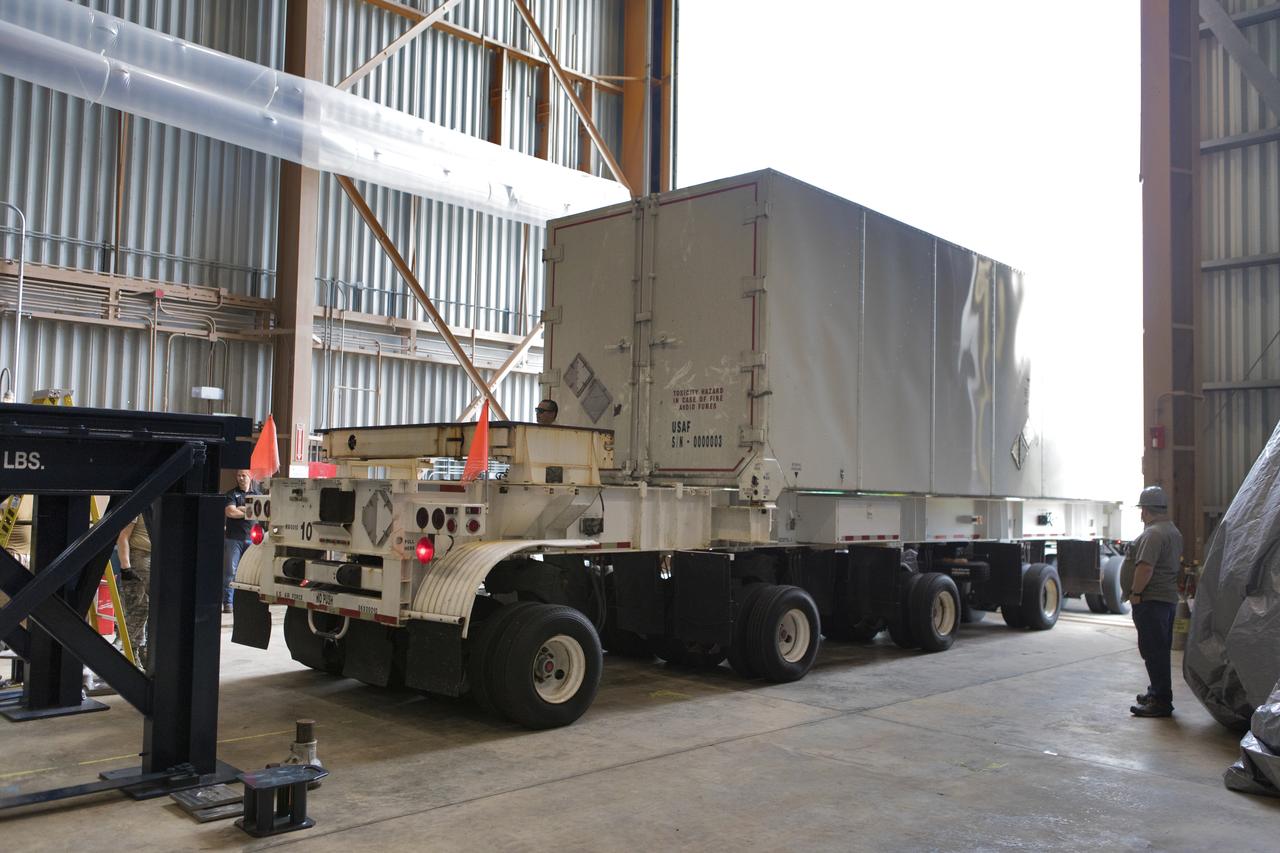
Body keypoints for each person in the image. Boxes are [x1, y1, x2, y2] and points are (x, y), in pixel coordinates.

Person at [1121, 485, 1183, 718]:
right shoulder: (1172, 531)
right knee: (1159, 649)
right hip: (1165, 600)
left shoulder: (1153, 534)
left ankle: (1161, 701)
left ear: (1146, 510)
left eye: (1141, 509)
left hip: (1152, 600)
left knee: (1153, 650)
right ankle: (1156, 691)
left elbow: (1145, 568)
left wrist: (1136, 593)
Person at [116, 510, 152, 668]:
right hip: (139, 557)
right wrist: (126, 567)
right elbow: (123, 536)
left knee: (148, 608)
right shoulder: (140, 507)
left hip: (154, 557)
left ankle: (141, 651)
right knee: (140, 608)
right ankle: (129, 649)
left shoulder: (157, 506)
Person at [223, 469, 261, 614]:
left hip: (252, 540)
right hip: (234, 539)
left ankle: (248, 603)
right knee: (230, 572)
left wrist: (242, 509)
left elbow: (262, 512)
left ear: (250, 476)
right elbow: (230, 512)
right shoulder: (231, 494)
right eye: (238, 475)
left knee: (251, 573)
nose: (240, 478)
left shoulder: (257, 495)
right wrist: (249, 511)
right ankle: (228, 603)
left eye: (243, 475)